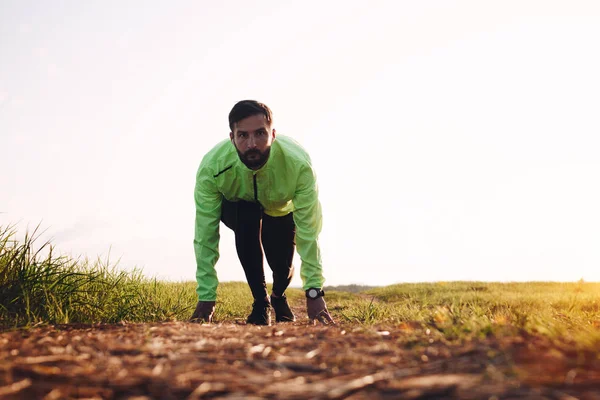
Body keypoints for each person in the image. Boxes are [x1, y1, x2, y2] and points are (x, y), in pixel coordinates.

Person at [190, 100, 335, 325]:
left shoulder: (298, 165)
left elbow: (309, 231)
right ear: (232, 138)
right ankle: (261, 302)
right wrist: (206, 297)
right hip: (240, 209)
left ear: (273, 134)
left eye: (260, 134)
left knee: (282, 266)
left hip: (280, 210)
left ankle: (278, 296)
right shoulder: (212, 167)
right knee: (246, 217)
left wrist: (314, 292)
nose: (252, 144)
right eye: (243, 136)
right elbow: (205, 233)